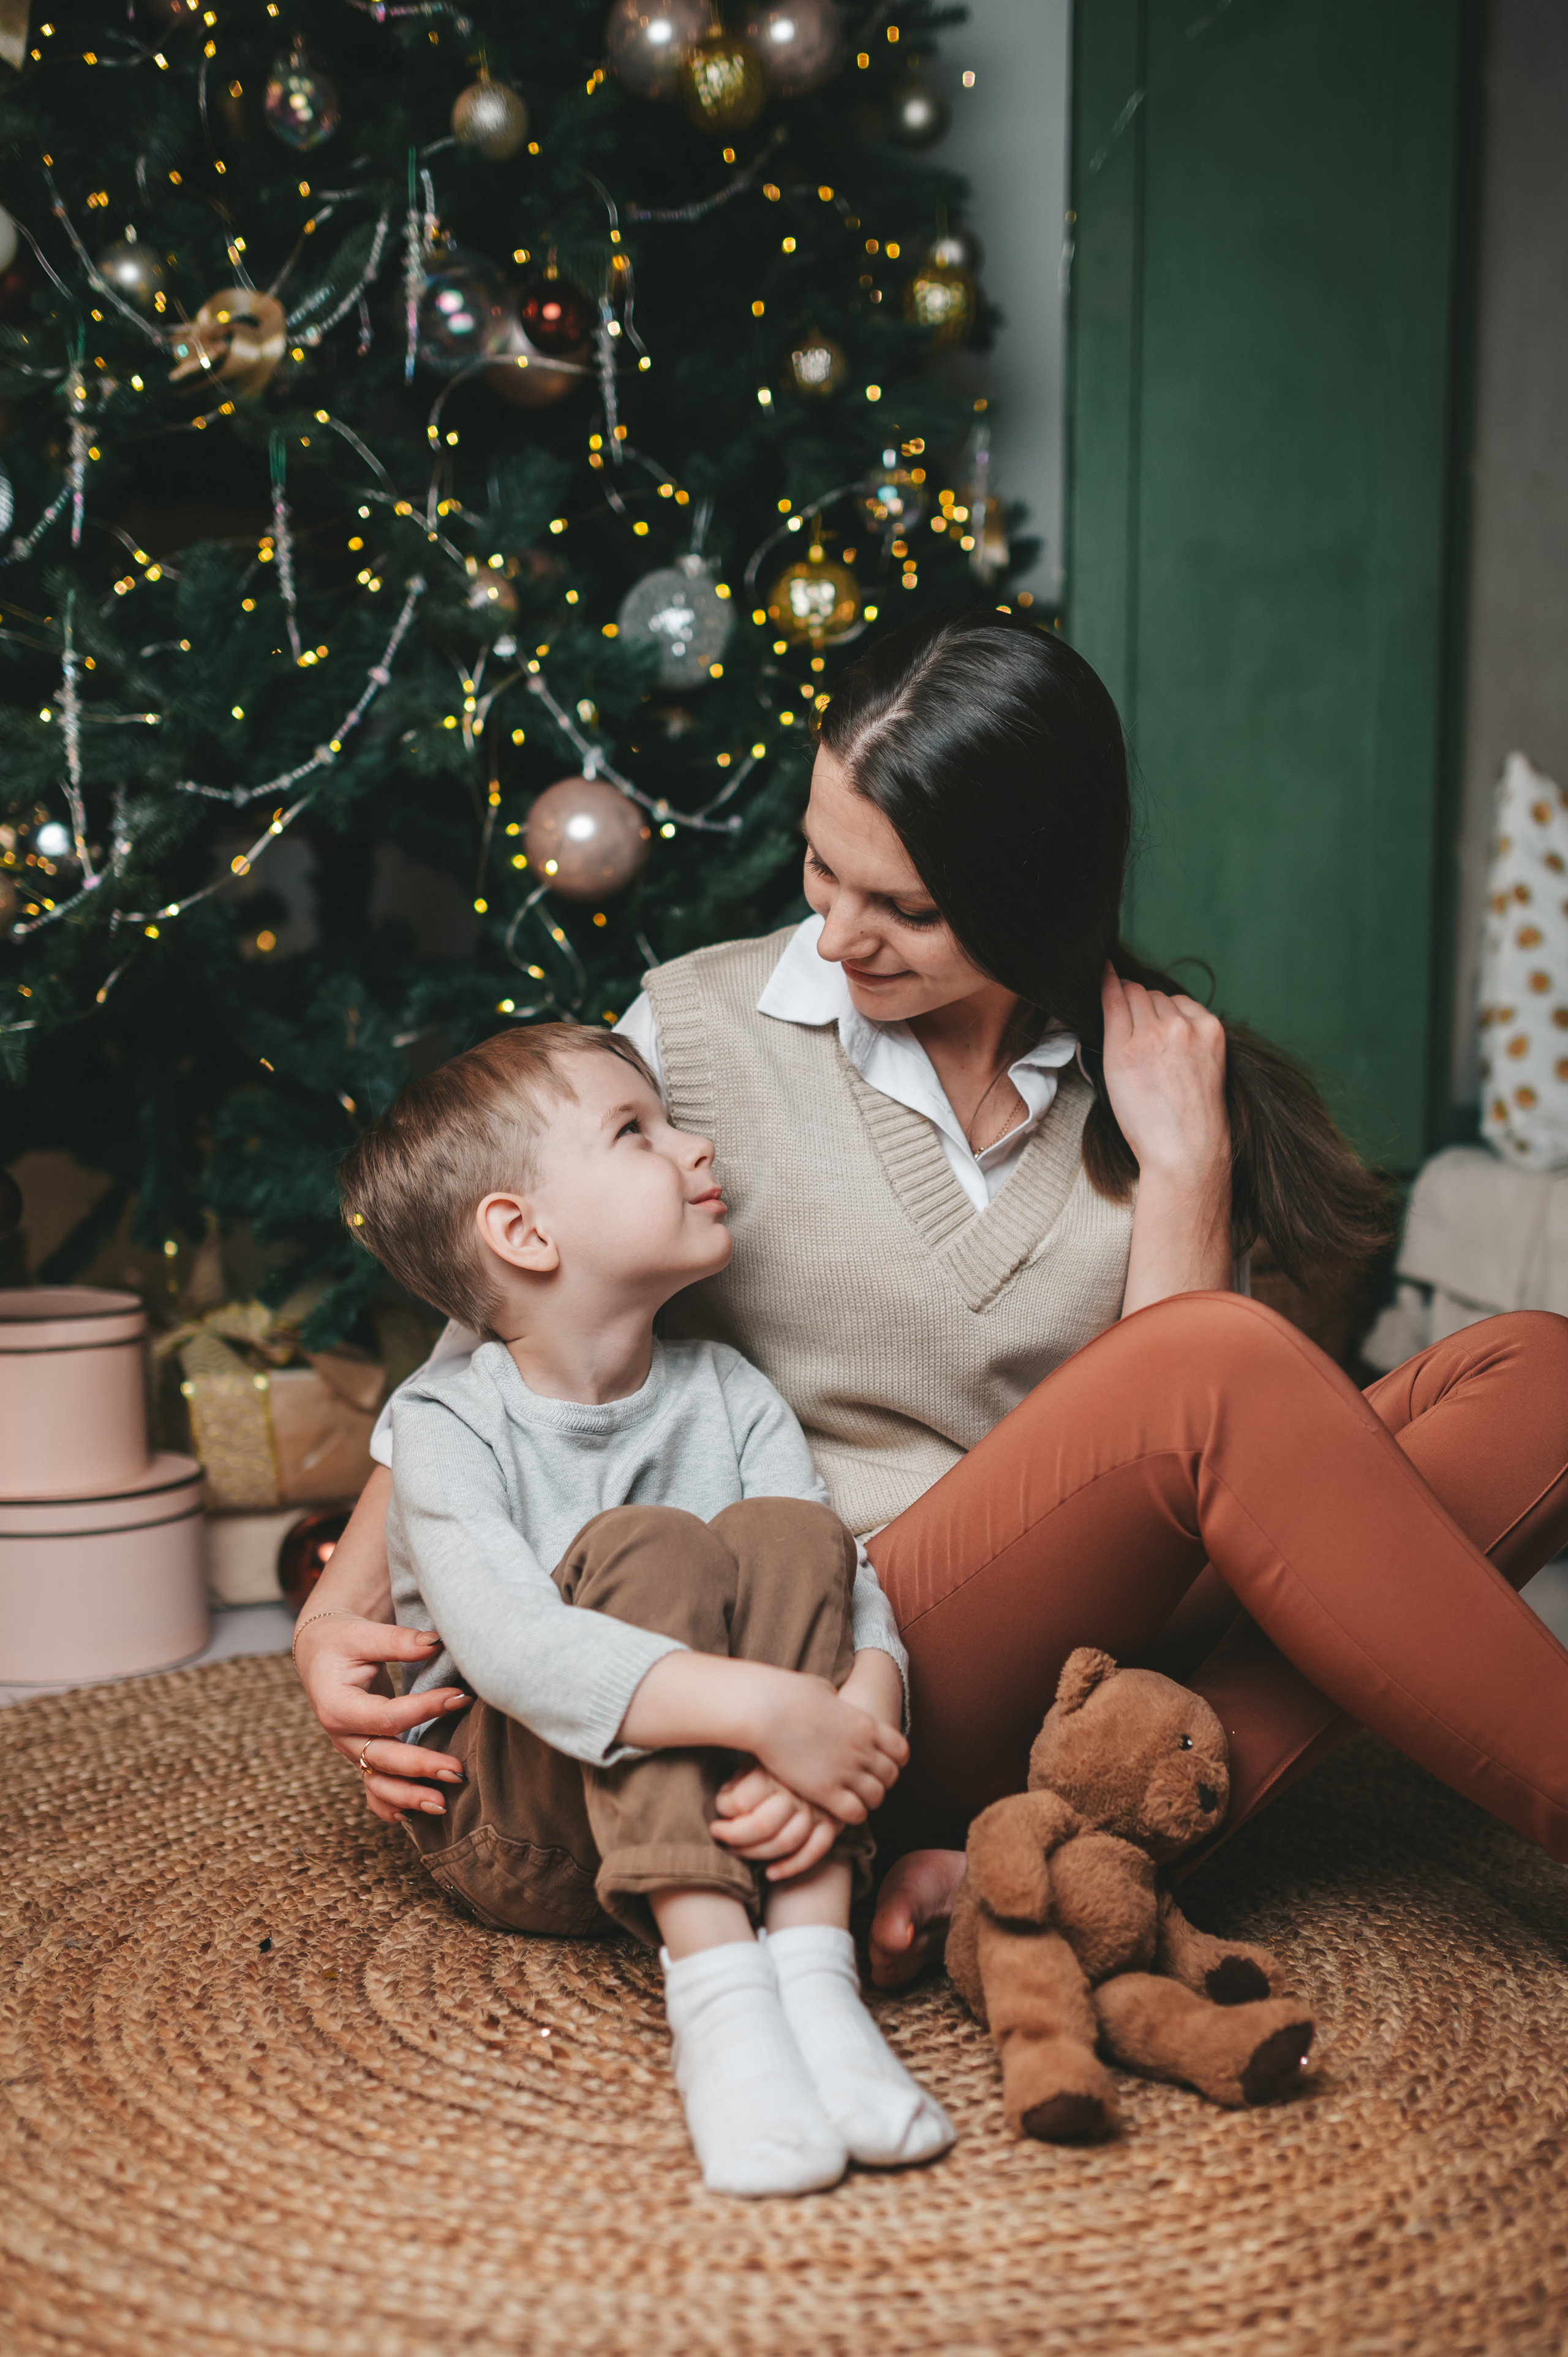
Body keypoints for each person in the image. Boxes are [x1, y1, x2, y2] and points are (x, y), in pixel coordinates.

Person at [296, 607, 1568, 2010]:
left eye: (903, 907)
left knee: (1536, 1376)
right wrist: (338, 1609)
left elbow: (1199, 1492)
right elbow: (497, 1329)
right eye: (818, 866)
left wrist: (1185, 1173)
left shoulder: (1150, 1074)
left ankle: (1056, 1848)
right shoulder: (698, 1037)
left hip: (1092, 1646)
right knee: (1213, 1365)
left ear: (1036, 893)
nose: (836, 933)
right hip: (853, 1643)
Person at [329, 1016, 954, 2197]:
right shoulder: (446, 1425)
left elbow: (841, 1582)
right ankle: (720, 2002)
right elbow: (511, 1647)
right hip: (524, 1822)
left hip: (748, 1802)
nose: (695, 1146)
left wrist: (861, 1708)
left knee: (792, 1533)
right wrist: (771, 1714)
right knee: (652, 1545)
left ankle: (813, 1972)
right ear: (522, 1231)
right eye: (637, 1131)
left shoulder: (730, 1390)